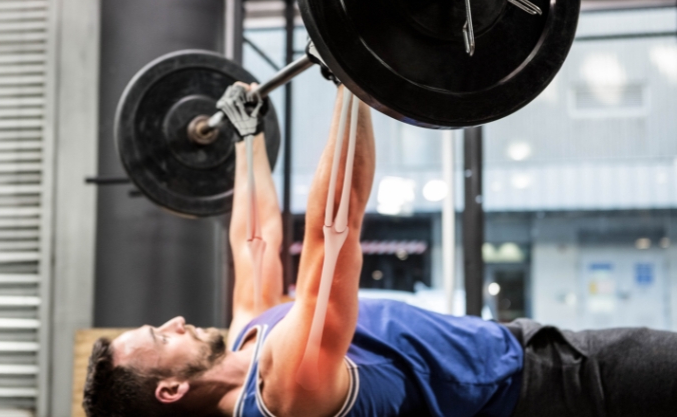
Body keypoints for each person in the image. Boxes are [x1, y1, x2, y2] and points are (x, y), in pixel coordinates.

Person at [82, 85, 677, 417]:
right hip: (553, 395)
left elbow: (257, 239)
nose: (176, 320)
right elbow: (330, 239)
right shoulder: (285, 394)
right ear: (171, 390)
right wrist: (356, 81)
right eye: (163, 337)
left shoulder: (244, 339)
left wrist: (246, 140)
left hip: (533, 351)